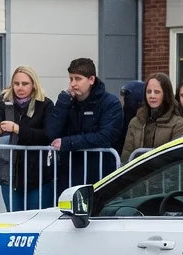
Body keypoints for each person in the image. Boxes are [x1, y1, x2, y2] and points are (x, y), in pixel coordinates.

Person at [46, 57, 125, 189]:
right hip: (69, 173)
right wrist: (62, 103)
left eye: (78, 79)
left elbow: (105, 136)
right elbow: (50, 132)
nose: (73, 84)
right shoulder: (67, 102)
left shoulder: (110, 103)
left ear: (91, 80)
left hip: (99, 173)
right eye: (71, 79)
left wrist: (67, 143)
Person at [0, 65, 54, 211]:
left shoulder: (45, 104)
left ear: (34, 85)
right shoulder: (5, 104)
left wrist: (17, 129)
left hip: (38, 174)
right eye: (16, 84)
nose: (20, 87)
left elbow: (47, 135)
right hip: (11, 175)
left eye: (25, 84)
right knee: (14, 219)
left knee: (36, 218)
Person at [121, 73, 183, 160]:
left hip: (165, 172)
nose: (152, 96)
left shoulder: (178, 124)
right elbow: (126, 156)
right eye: (148, 92)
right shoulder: (135, 122)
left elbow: (177, 158)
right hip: (138, 172)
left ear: (166, 94)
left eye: (157, 92)